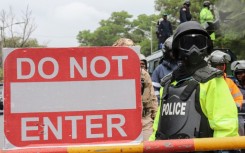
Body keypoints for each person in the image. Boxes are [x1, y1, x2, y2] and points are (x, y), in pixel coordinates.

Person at [149, 21, 238, 151]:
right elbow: (158, 128)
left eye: (199, 43)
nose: (194, 49)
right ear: (176, 48)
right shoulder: (168, 83)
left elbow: (226, 126)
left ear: (206, 46)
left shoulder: (212, 81)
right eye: (187, 43)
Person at [112, 38, 158, 141]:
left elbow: (152, 98)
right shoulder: (109, 74)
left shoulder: (142, 74)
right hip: (119, 124)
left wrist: (156, 119)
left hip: (144, 121)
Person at [151, 36, 178, 104]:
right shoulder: (159, 69)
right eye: (172, 51)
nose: (174, 53)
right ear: (166, 52)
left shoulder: (185, 66)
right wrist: (160, 103)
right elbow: (154, 90)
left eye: (176, 51)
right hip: (165, 105)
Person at [231, 60, 245, 136]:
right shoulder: (233, 86)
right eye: (238, 73)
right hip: (238, 115)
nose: (240, 75)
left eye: (242, 73)